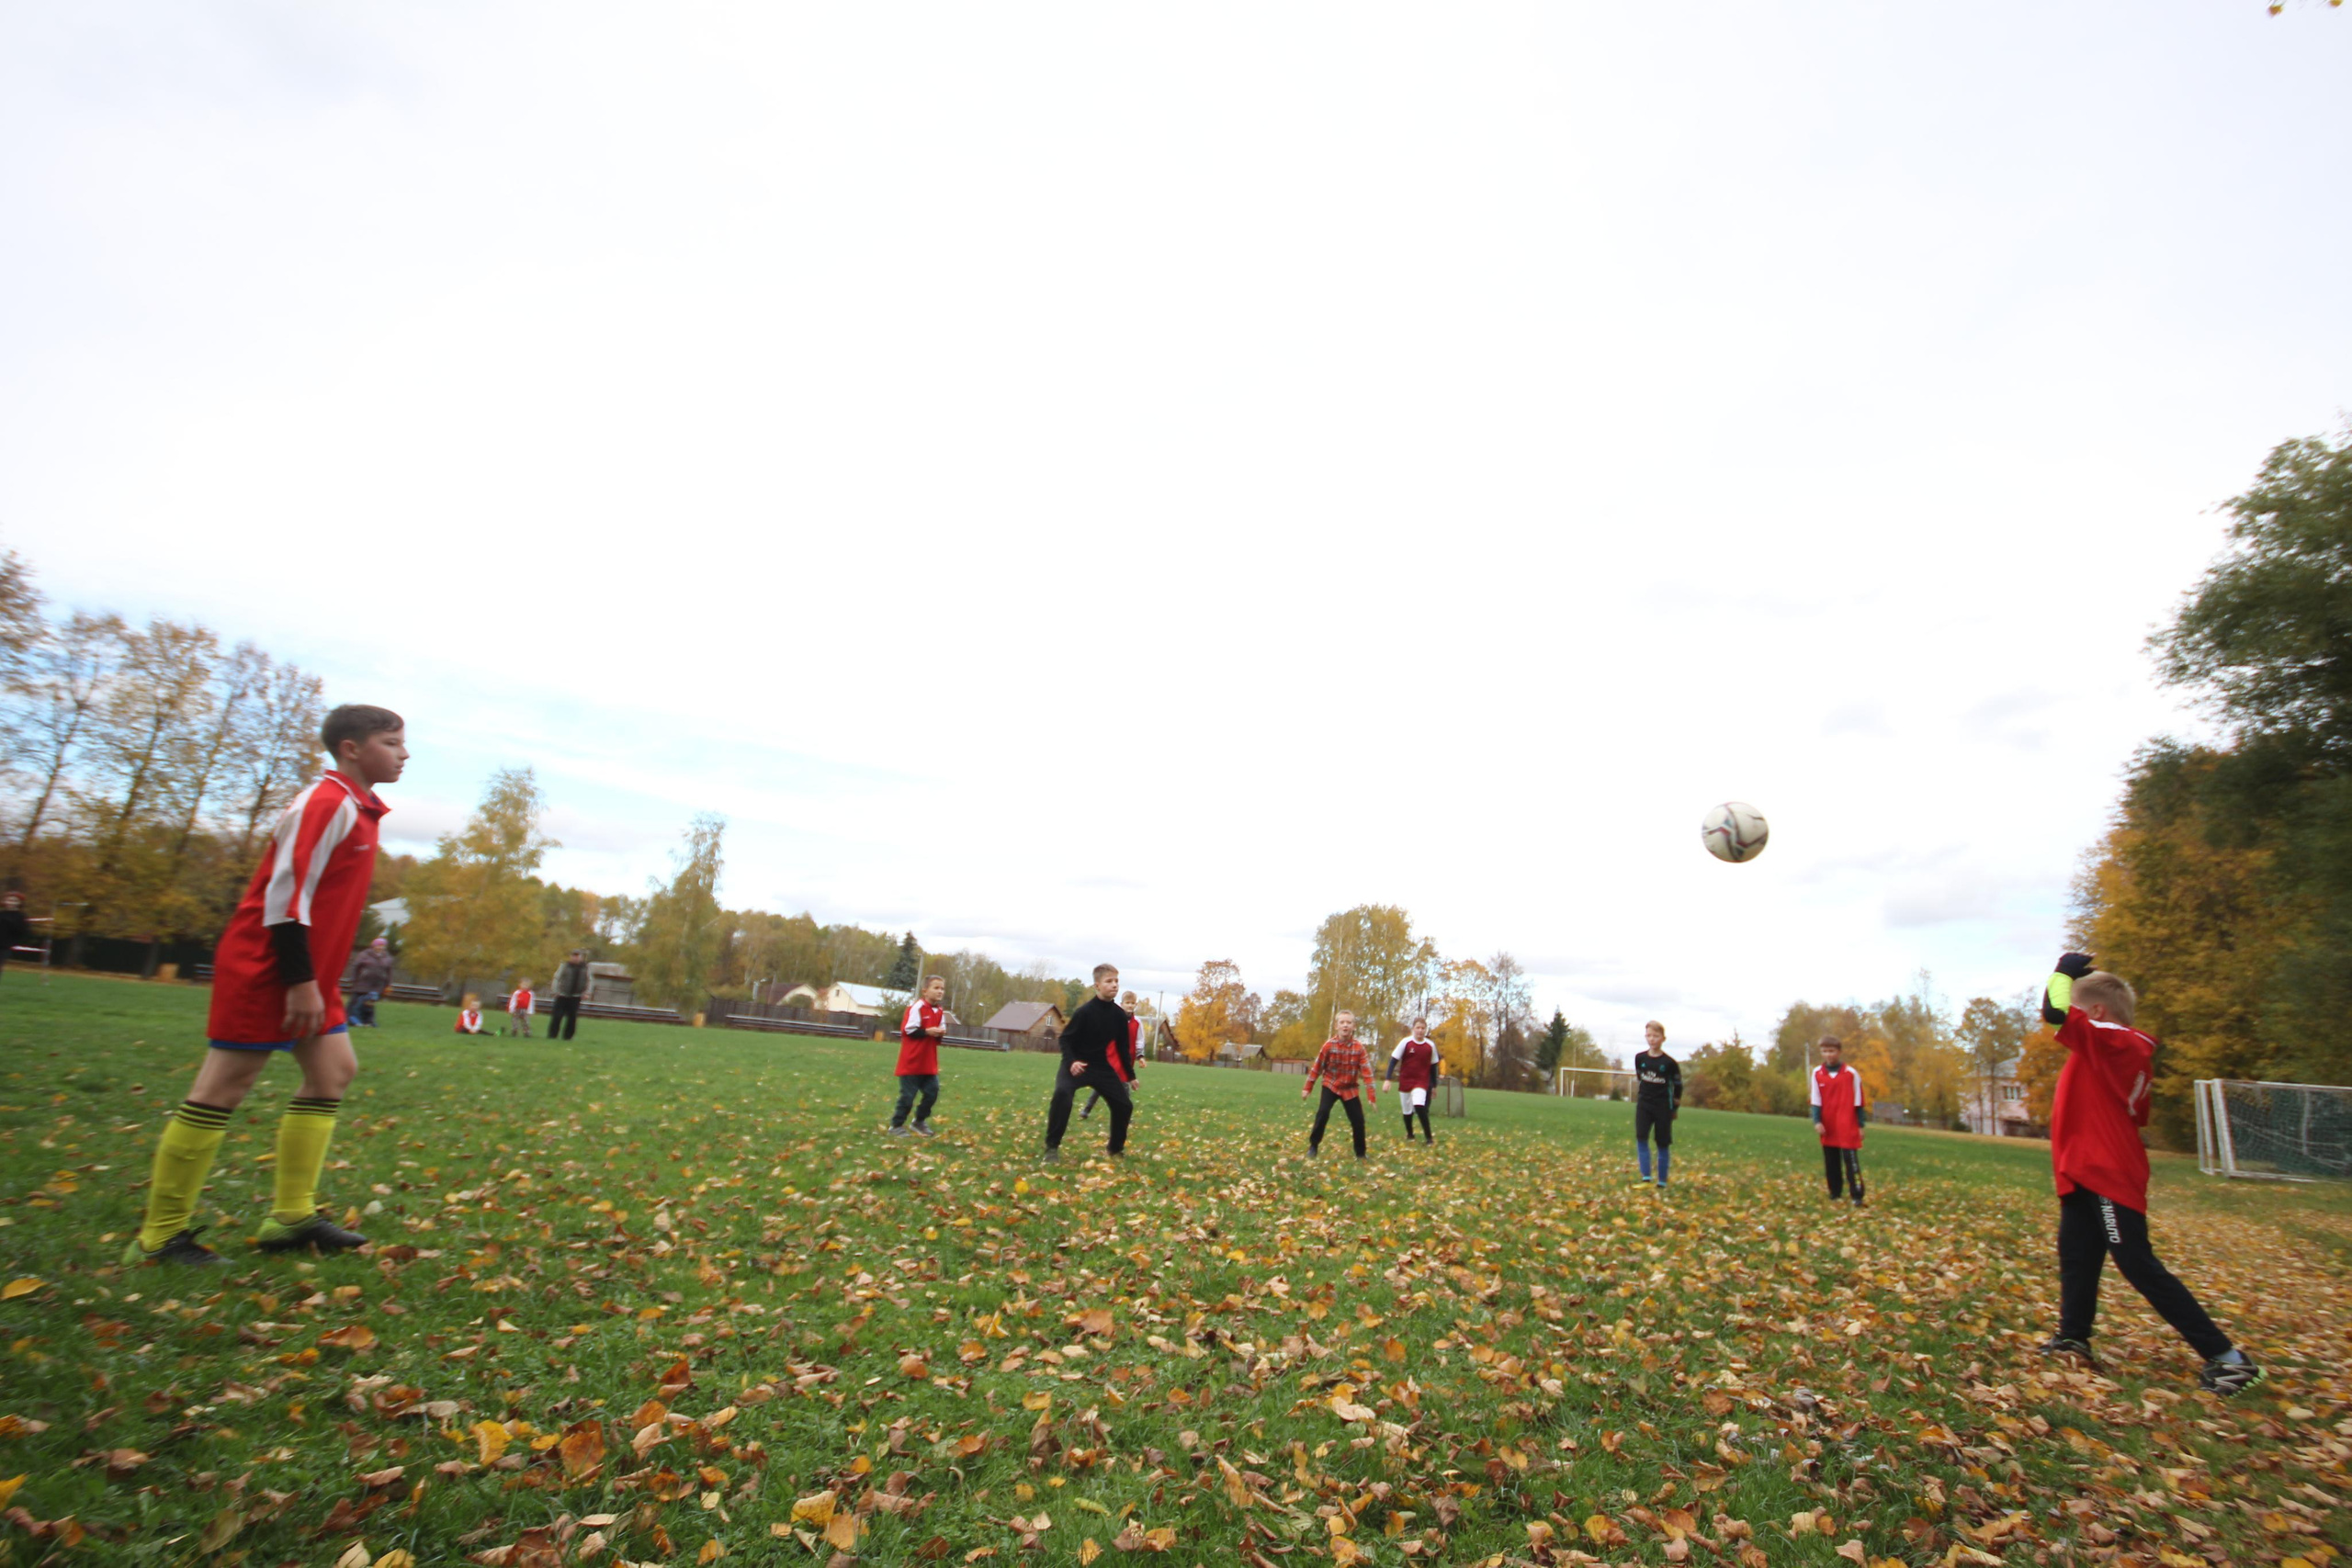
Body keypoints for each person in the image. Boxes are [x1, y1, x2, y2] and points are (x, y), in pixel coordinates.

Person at [122, 704, 406, 1267]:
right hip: (270, 971)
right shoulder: (326, 804)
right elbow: (284, 900)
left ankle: (290, 1216)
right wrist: (299, 983)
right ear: (352, 748)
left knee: (334, 1072)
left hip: (307, 978)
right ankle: (159, 1238)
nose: (404, 754)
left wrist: (314, 982)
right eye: (392, 743)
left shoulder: (355, 806)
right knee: (222, 1088)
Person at [2036, 952, 2261, 1394]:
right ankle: (2073, 1338)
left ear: (2098, 1013)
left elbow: (2054, 1011)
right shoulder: (2109, 1049)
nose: (2072, 1028)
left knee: (2136, 1262)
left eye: (2085, 1013)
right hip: (2085, 1168)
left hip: (2109, 1171)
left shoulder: (2118, 1042)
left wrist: (2062, 972)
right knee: (2077, 1254)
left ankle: (2228, 1359)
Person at [1043, 964, 1131, 1161]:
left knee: (1124, 1105)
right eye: (1109, 981)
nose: (1114, 985)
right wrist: (1072, 1062)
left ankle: (1115, 1150)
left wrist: (1130, 1076)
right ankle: (1051, 1148)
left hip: (1100, 1066)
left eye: (1116, 981)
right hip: (1075, 1065)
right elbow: (1065, 1039)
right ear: (1097, 986)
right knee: (1062, 1094)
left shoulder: (1118, 1016)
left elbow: (1123, 1048)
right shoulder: (1085, 1012)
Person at [1302, 1010, 1378, 1159]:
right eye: (1342, 1022)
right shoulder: (1329, 1046)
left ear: (1354, 1026)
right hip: (1331, 1085)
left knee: (1358, 1120)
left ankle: (1361, 1153)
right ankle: (1313, 1146)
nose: (1345, 1025)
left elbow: (1367, 1073)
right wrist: (1307, 1088)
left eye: (1348, 1023)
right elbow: (1317, 1067)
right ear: (1336, 1026)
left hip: (1350, 1089)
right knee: (1323, 1113)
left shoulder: (1359, 1048)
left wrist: (1371, 1096)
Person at [889, 974, 947, 1137]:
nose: (940, 991)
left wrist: (940, 1032)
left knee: (932, 1092)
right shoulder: (917, 1008)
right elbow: (908, 1030)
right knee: (907, 1097)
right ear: (925, 991)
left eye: (942, 989)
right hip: (911, 1062)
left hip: (928, 1063)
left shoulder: (940, 1011)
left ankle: (919, 1121)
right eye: (936, 988)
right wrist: (927, 1032)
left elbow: (939, 1029)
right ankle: (896, 1125)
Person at [1811, 1036, 1866, 1206]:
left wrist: (1861, 1125)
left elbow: (1859, 1100)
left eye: (1832, 1051)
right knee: (1831, 1161)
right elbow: (1815, 1099)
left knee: (1851, 1161)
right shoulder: (1817, 1073)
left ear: (1839, 1052)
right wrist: (1817, 1121)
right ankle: (1835, 1192)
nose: (1828, 1055)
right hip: (1828, 1124)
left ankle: (1857, 1195)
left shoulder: (1850, 1073)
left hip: (1847, 1123)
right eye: (1825, 1051)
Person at [1632, 1021, 1681, 1189]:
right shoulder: (1640, 1058)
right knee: (1641, 1137)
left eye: (1656, 1036)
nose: (1652, 1039)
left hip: (1662, 1108)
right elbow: (1640, 1077)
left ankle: (1662, 1181)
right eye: (1649, 1035)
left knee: (1662, 1142)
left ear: (1663, 1038)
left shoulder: (1669, 1063)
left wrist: (1674, 1108)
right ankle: (1646, 1177)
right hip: (1644, 1104)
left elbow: (1678, 1087)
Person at [1081, 990, 1145, 1120]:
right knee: (1102, 1084)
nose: (1130, 1006)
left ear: (1135, 1005)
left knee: (1124, 1087)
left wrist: (1140, 1056)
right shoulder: (1114, 1018)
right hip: (1112, 1057)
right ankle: (1087, 1109)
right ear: (1121, 1004)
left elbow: (1139, 1040)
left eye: (1132, 1003)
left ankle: (1126, 1115)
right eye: (1127, 1003)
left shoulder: (1137, 1023)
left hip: (1127, 1060)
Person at [1385, 1015, 1440, 1144]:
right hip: (1405, 1080)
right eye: (1418, 1028)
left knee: (1419, 1105)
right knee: (1407, 1110)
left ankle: (1429, 1138)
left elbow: (1433, 1067)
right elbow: (1393, 1061)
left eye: (1423, 1028)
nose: (1420, 1031)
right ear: (1413, 1029)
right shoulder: (1406, 1042)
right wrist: (1388, 1079)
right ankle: (1410, 1134)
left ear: (1426, 1030)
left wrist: (1434, 1086)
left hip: (1421, 1082)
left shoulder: (1430, 1046)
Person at [348, 936, 394, 1027]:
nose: (380, 947)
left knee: (370, 1004)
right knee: (357, 1004)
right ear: (373, 946)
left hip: (377, 985)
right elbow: (356, 966)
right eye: (378, 945)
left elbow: (389, 972)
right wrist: (354, 978)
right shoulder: (364, 955)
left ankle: (368, 1021)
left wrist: (388, 984)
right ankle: (354, 1020)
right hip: (362, 984)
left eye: (382, 946)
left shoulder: (387, 958)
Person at [548, 949, 592, 1041]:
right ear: (571, 956)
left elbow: (589, 980)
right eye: (574, 956)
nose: (575, 958)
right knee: (557, 1016)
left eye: (577, 956)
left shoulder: (586, 968)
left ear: (581, 957)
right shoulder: (564, 966)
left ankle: (568, 1037)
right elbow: (556, 978)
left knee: (572, 1018)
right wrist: (555, 991)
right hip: (562, 995)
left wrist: (587, 992)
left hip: (576, 997)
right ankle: (552, 1035)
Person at [0, 892, 29, 982]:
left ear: (19, 903)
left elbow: (21, 932)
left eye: (14, 901)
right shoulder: (1, 914)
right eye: (9, 900)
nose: (11, 902)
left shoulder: (20, 917)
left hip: (4, 947)